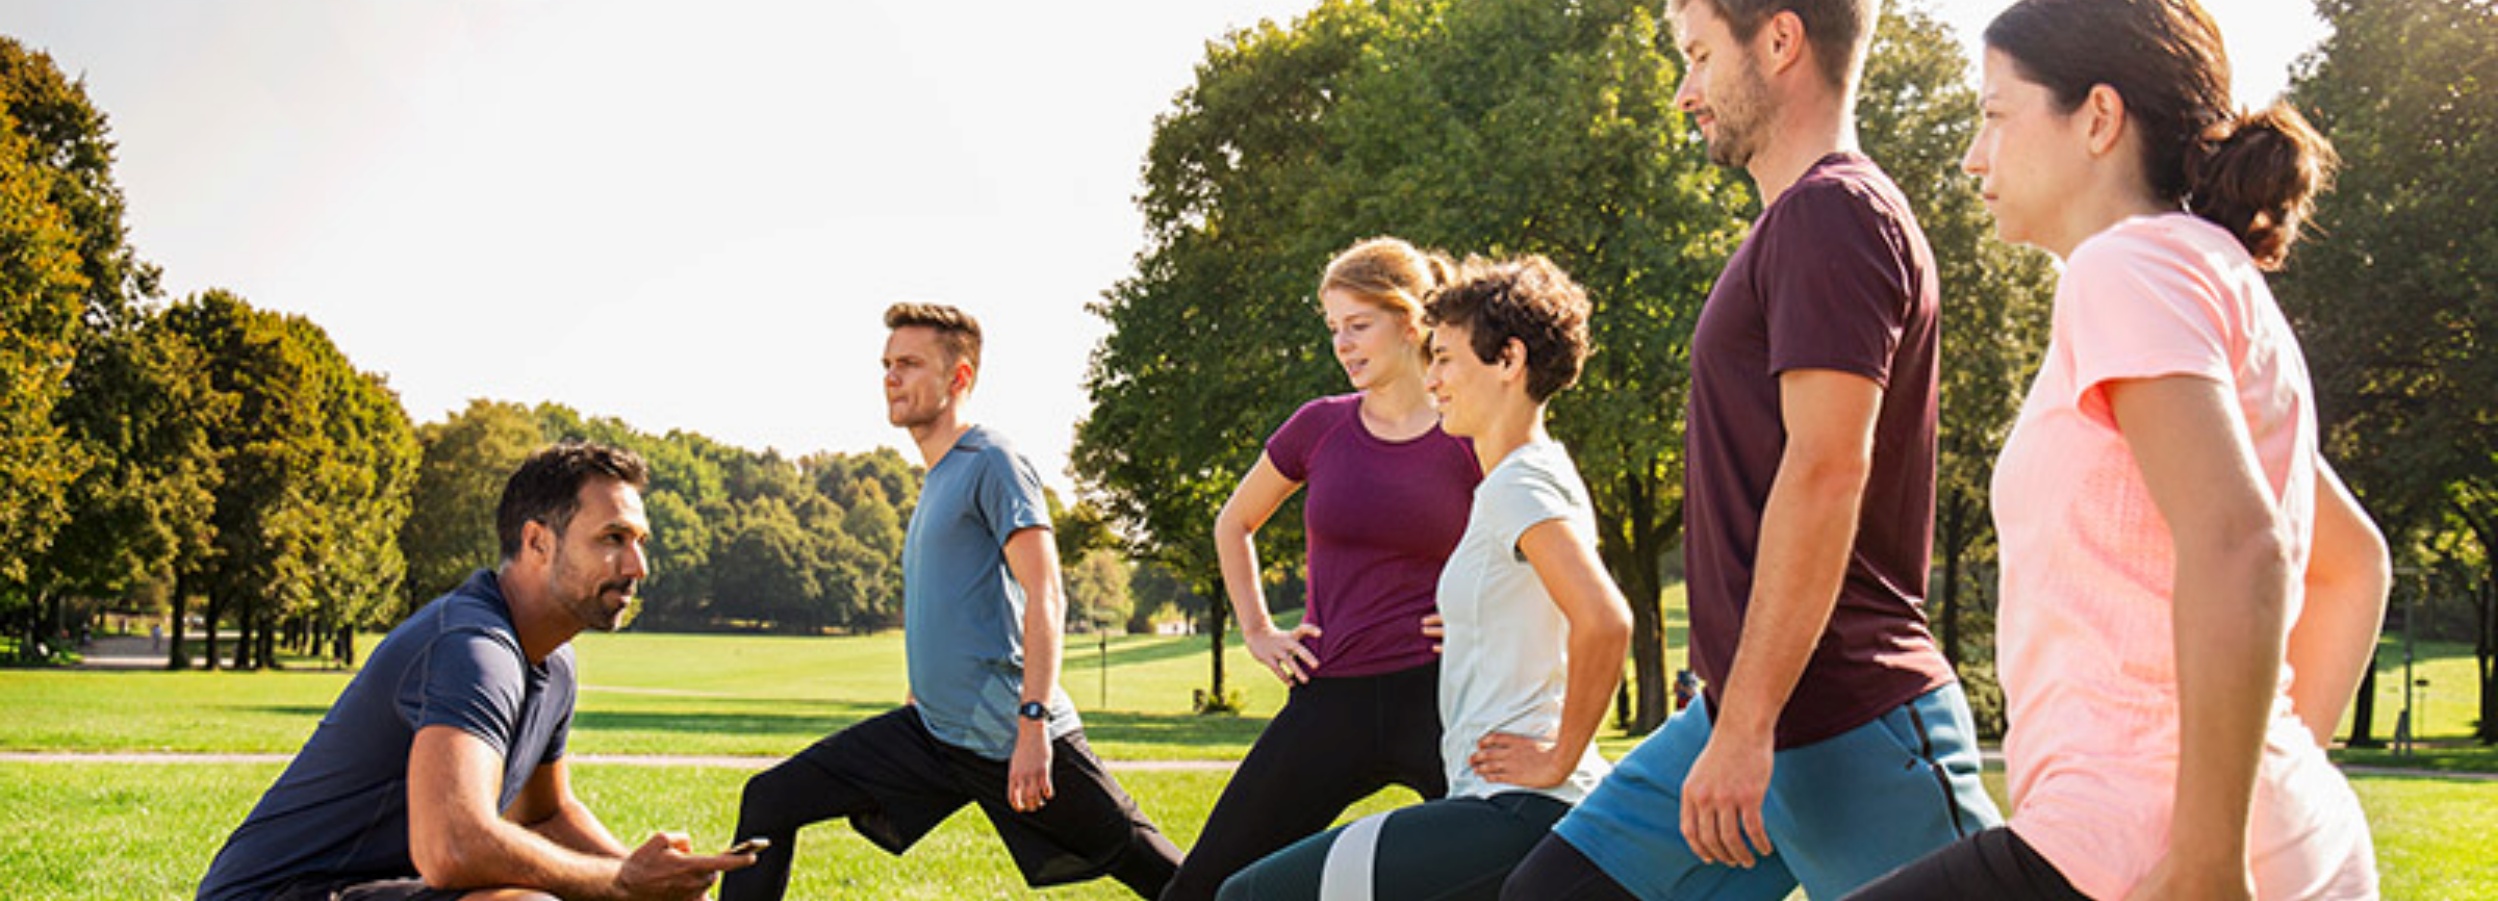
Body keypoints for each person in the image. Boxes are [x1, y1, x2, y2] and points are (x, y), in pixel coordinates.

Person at [1848, 1, 2384, 897]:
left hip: (2132, 845)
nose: (1974, 155)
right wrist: (2267, 799)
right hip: (2248, 839)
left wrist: (2210, 865)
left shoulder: (2125, 268)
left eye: (1993, 114)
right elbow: (2352, 563)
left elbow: (2240, 543)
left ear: (2097, 117)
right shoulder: (2207, 275)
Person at [1507, 1, 2001, 898]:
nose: (1685, 90)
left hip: (1850, 716)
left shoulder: (1834, 215)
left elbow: (1825, 470)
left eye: (1699, 57)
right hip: (1747, 713)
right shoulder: (1796, 226)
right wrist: (1733, 716)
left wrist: (1747, 726)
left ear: (1779, 41)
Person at [720, 303, 1182, 901]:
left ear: (959, 378)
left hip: (1008, 732)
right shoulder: (937, 477)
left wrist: (1034, 723)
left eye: (909, 364)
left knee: (1170, 879)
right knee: (770, 798)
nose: (891, 377)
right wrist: (921, 688)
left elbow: (1046, 590)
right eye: (887, 364)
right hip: (936, 732)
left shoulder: (993, 462)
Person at [1218, 255, 1634, 901]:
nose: (1433, 378)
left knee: (1251, 895)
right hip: (1502, 801)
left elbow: (1606, 619)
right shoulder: (1531, 474)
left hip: (1516, 806)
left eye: (1445, 358)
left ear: (1509, 361)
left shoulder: (1518, 485)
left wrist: (1557, 757)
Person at [198, 442, 749, 901]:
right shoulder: (473, 647)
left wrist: (651, 875)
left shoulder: (553, 660)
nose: (637, 567)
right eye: (612, 539)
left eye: (639, 543)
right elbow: (453, 848)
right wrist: (623, 883)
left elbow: (545, 813)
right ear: (538, 541)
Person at [1160, 237, 1480, 901]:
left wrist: (1486, 616)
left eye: (1358, 324)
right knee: (1204, 885)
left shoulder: (1472, 430)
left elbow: (1540, 549)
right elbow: (1233, 522)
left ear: (1411, 319)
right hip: (1332, 694)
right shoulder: (1319, 427)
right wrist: (1256, 628)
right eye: (1334, 327)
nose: (1343, 342)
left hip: (1445, 695)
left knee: (1519, 874)